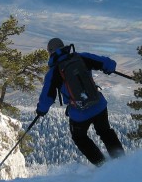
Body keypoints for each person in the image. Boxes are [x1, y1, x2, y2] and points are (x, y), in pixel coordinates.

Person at [35, 37, 125, 165]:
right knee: (105, 132)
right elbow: (109, 64)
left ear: (50, 52)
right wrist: (109, 69)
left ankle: (102, 165)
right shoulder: (81, 57)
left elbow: (47, 98)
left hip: (79, 113)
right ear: (64, 47)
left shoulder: (53, 72)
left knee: (79, 137)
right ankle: (122, 161)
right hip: (99, 105)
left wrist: (41, 111)